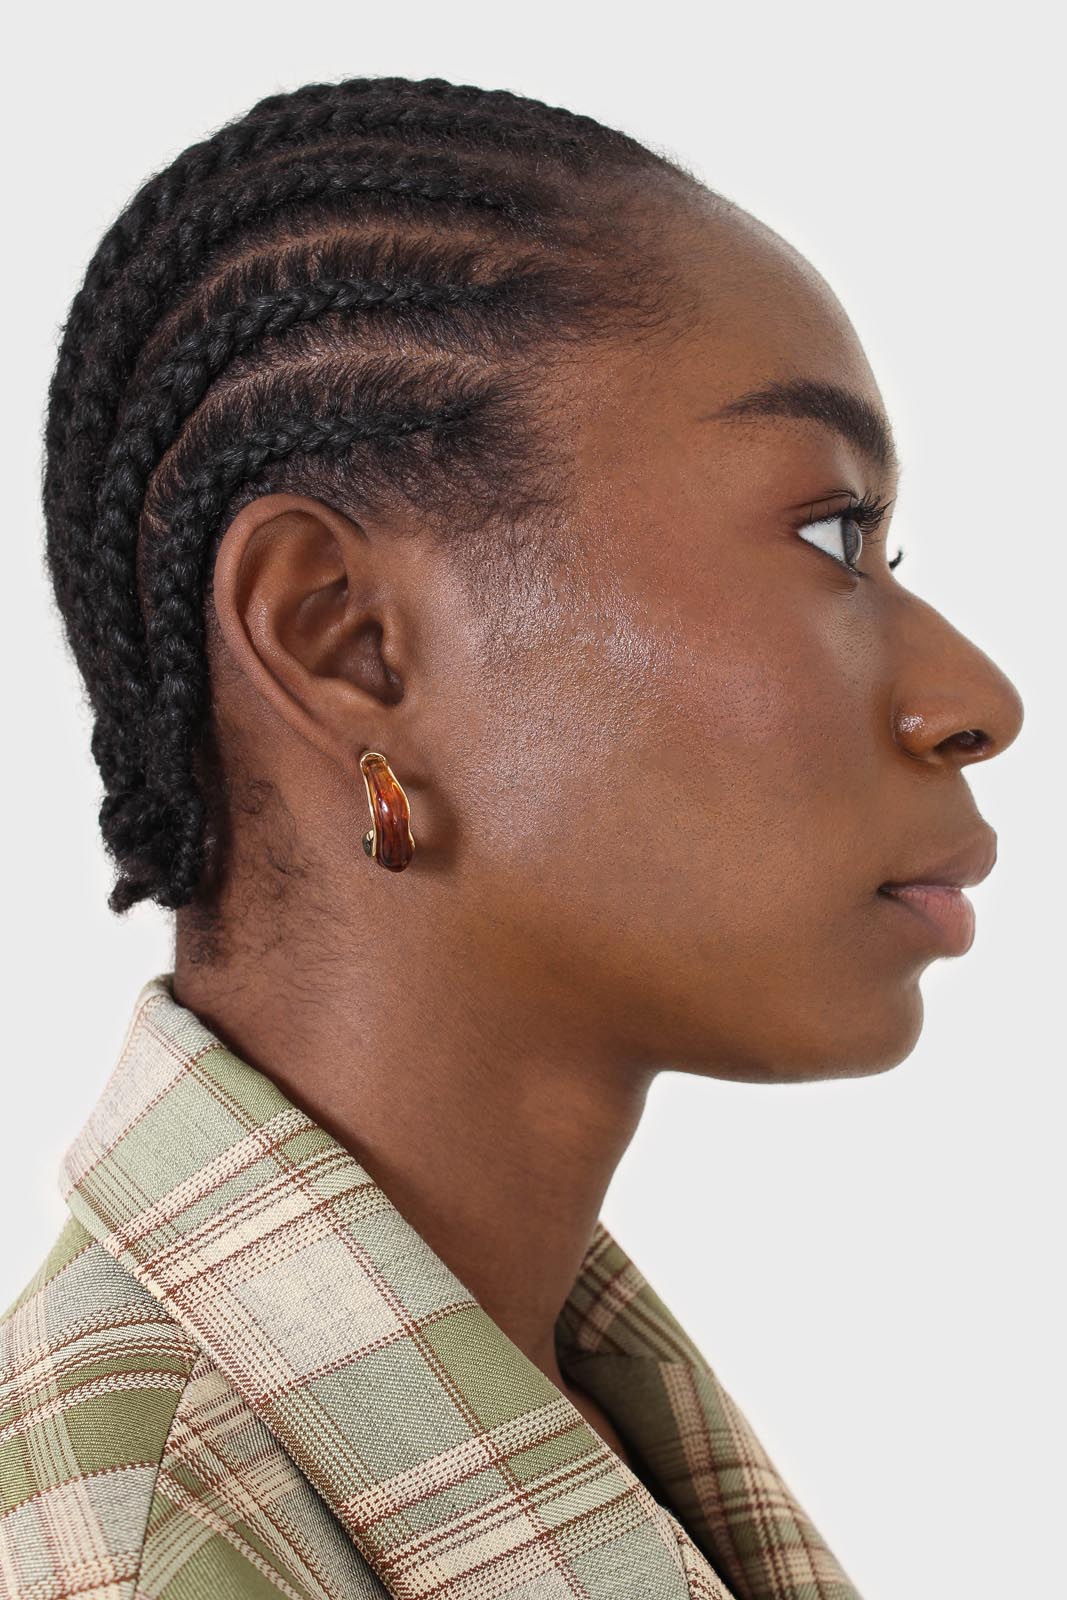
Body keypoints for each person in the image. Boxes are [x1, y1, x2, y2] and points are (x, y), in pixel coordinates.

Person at [0, 73, 1024, 1600]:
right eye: (833, 537)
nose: (975, 701)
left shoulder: (575, 1406)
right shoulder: (131, 1558)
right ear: (347, 640)